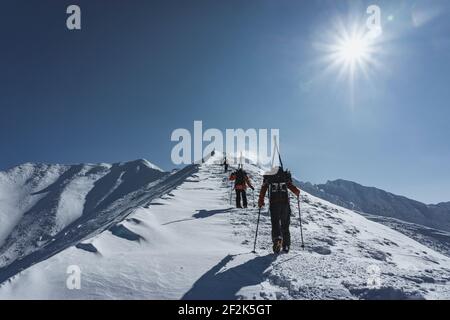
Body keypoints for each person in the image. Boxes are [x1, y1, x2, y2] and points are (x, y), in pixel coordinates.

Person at [258, 166, 300, 254]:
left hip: (274, 204)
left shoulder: (269, 177)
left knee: (275, 223)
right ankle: (286, 245)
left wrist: (261, 200)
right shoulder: (284, 176)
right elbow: (292, 187)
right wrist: (297, 192)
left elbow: (263, 188)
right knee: (285, 225)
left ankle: (277, 239)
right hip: (285, 204)